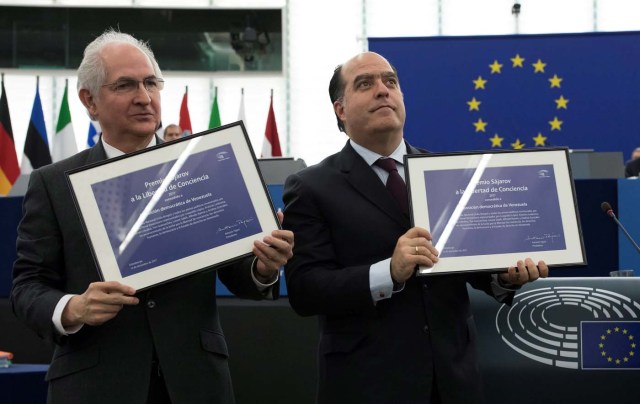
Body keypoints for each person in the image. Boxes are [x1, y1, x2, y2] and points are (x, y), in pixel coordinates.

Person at [11, 30, 294, 404]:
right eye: (125, 85)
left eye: (151, 83)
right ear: (89, 100)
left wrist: (263, 267)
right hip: (95, 387)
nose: (144, 98)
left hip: (196, 383)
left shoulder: (200, 168)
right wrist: (74, 307)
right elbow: (27, 287)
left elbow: (240, 273)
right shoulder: (53, 184)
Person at [282, 51, 548, 404]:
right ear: (340, 110)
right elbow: (305, 289)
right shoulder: (311, 186)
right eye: (365, 83)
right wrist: (388, 272)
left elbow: (471, 264)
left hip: (453, 381)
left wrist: (505, 278)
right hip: (366, 384)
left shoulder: (449, 175)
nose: (382, 90)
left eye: (390, 81)